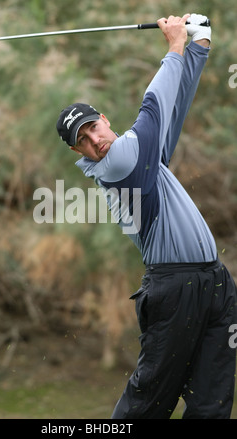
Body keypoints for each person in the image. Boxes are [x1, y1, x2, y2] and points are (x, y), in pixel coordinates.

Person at [56, 13, 237, 419]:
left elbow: (175, 105)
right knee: (148, 403)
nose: (93, 141)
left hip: (214, 281)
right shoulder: (118, 163)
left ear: (103, 119)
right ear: (77, 153)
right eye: (82, 141)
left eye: (91, 128)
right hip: (174, 289)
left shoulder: (145, 155)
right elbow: (154, 105)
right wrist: (174, 46)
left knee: (213, 402)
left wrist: (199, 45)